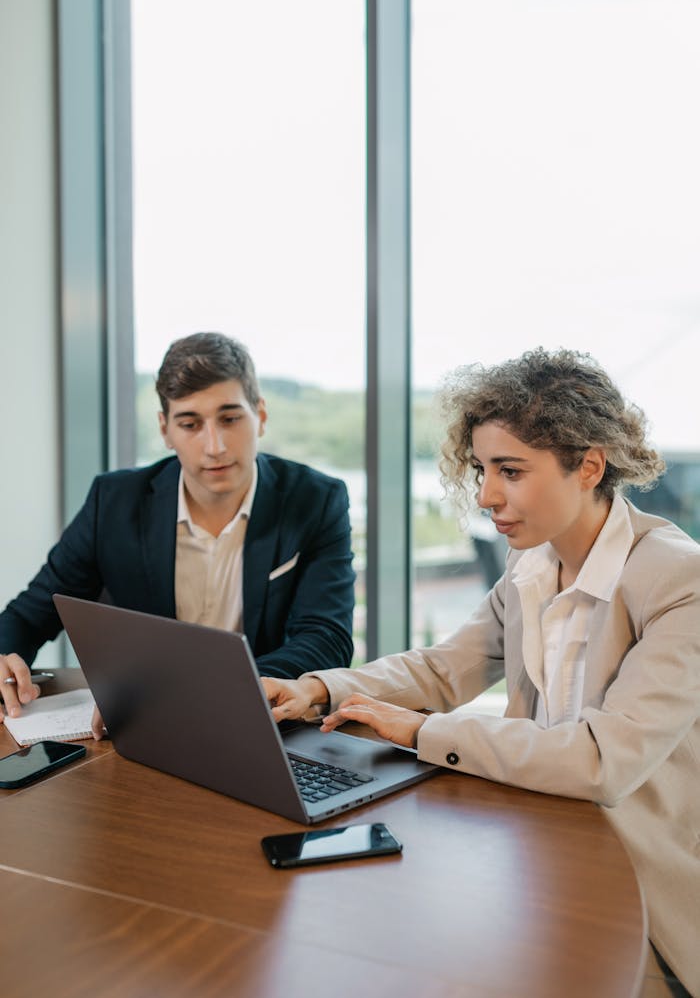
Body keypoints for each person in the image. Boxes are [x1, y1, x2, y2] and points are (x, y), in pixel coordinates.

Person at [262, 348, 700, 997]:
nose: (487, 496)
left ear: (589, 465)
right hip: (538, 856)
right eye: (482, 470)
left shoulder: (677, 580)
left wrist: (418, 732)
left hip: (642, 905)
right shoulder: (532, 567)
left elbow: (602, 760)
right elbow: (444, 668)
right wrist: (320, 688)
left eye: (511, 471)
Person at [0, 332, 355, 730]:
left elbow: (327, 639)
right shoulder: (114, 501)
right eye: (190, 424)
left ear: (262, 416)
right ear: (165, 430)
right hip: (143, 734)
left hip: (260, 727)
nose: (215, 445)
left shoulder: (316, 499)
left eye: (230, 418)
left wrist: (198, 689)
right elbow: (31, 614)